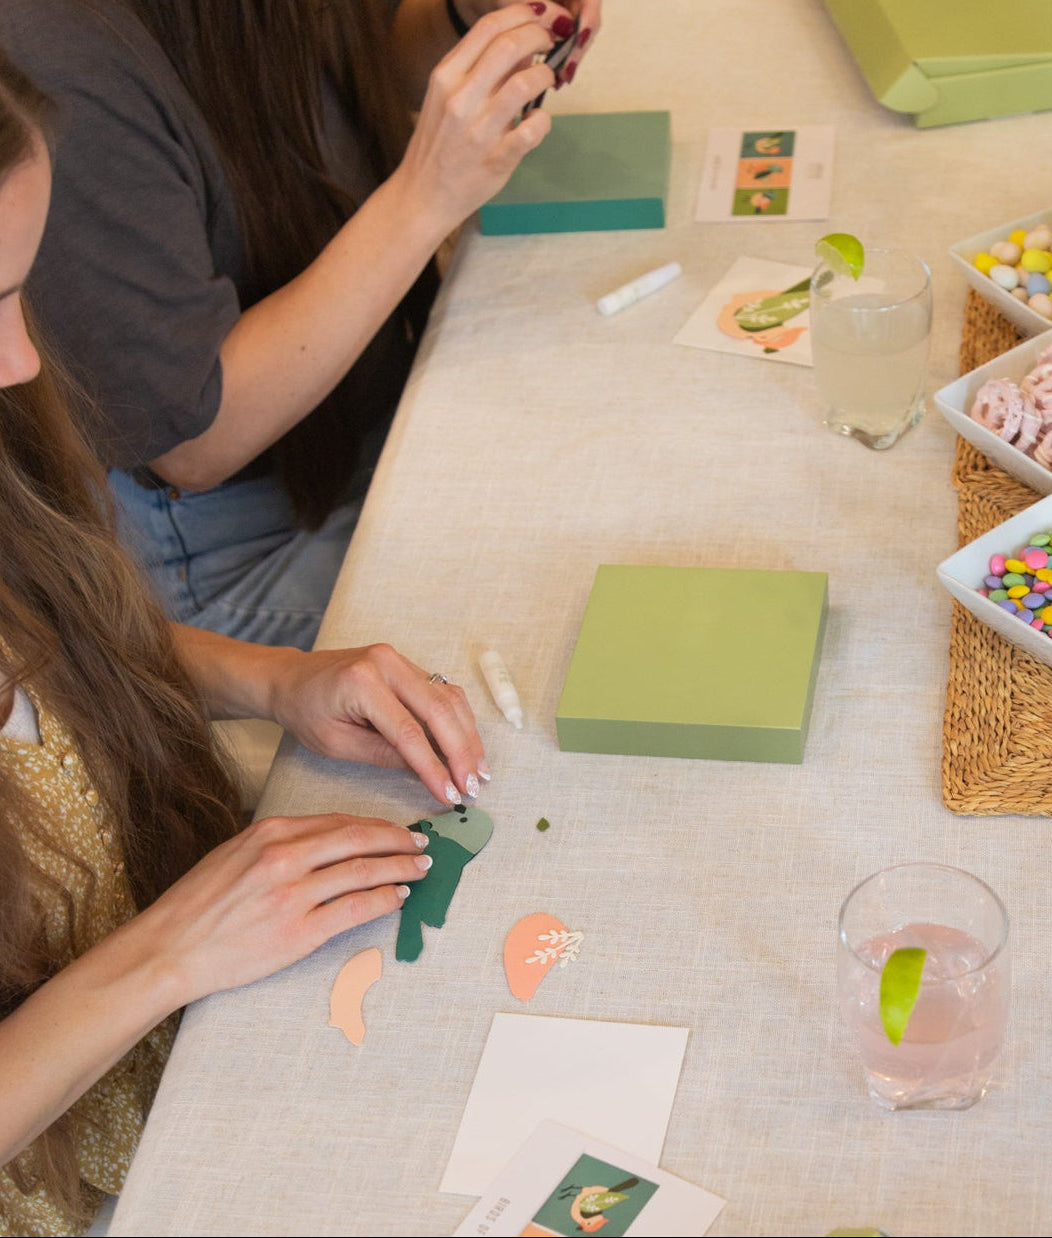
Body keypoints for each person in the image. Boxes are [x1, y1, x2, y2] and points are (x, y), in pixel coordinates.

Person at [0, 51, 491, 1235]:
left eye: (18, 292)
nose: (21, 361)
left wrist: (278, 679)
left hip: (173, 1044)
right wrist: (169, 952)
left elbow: (54, 649)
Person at [0, 0, 601, 650]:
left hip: (370, 419)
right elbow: (196, 440)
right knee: (565, 611)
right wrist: (425, 197)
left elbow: (355, 63)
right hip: (232, 548)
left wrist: (467, 18)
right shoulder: (54, 56)